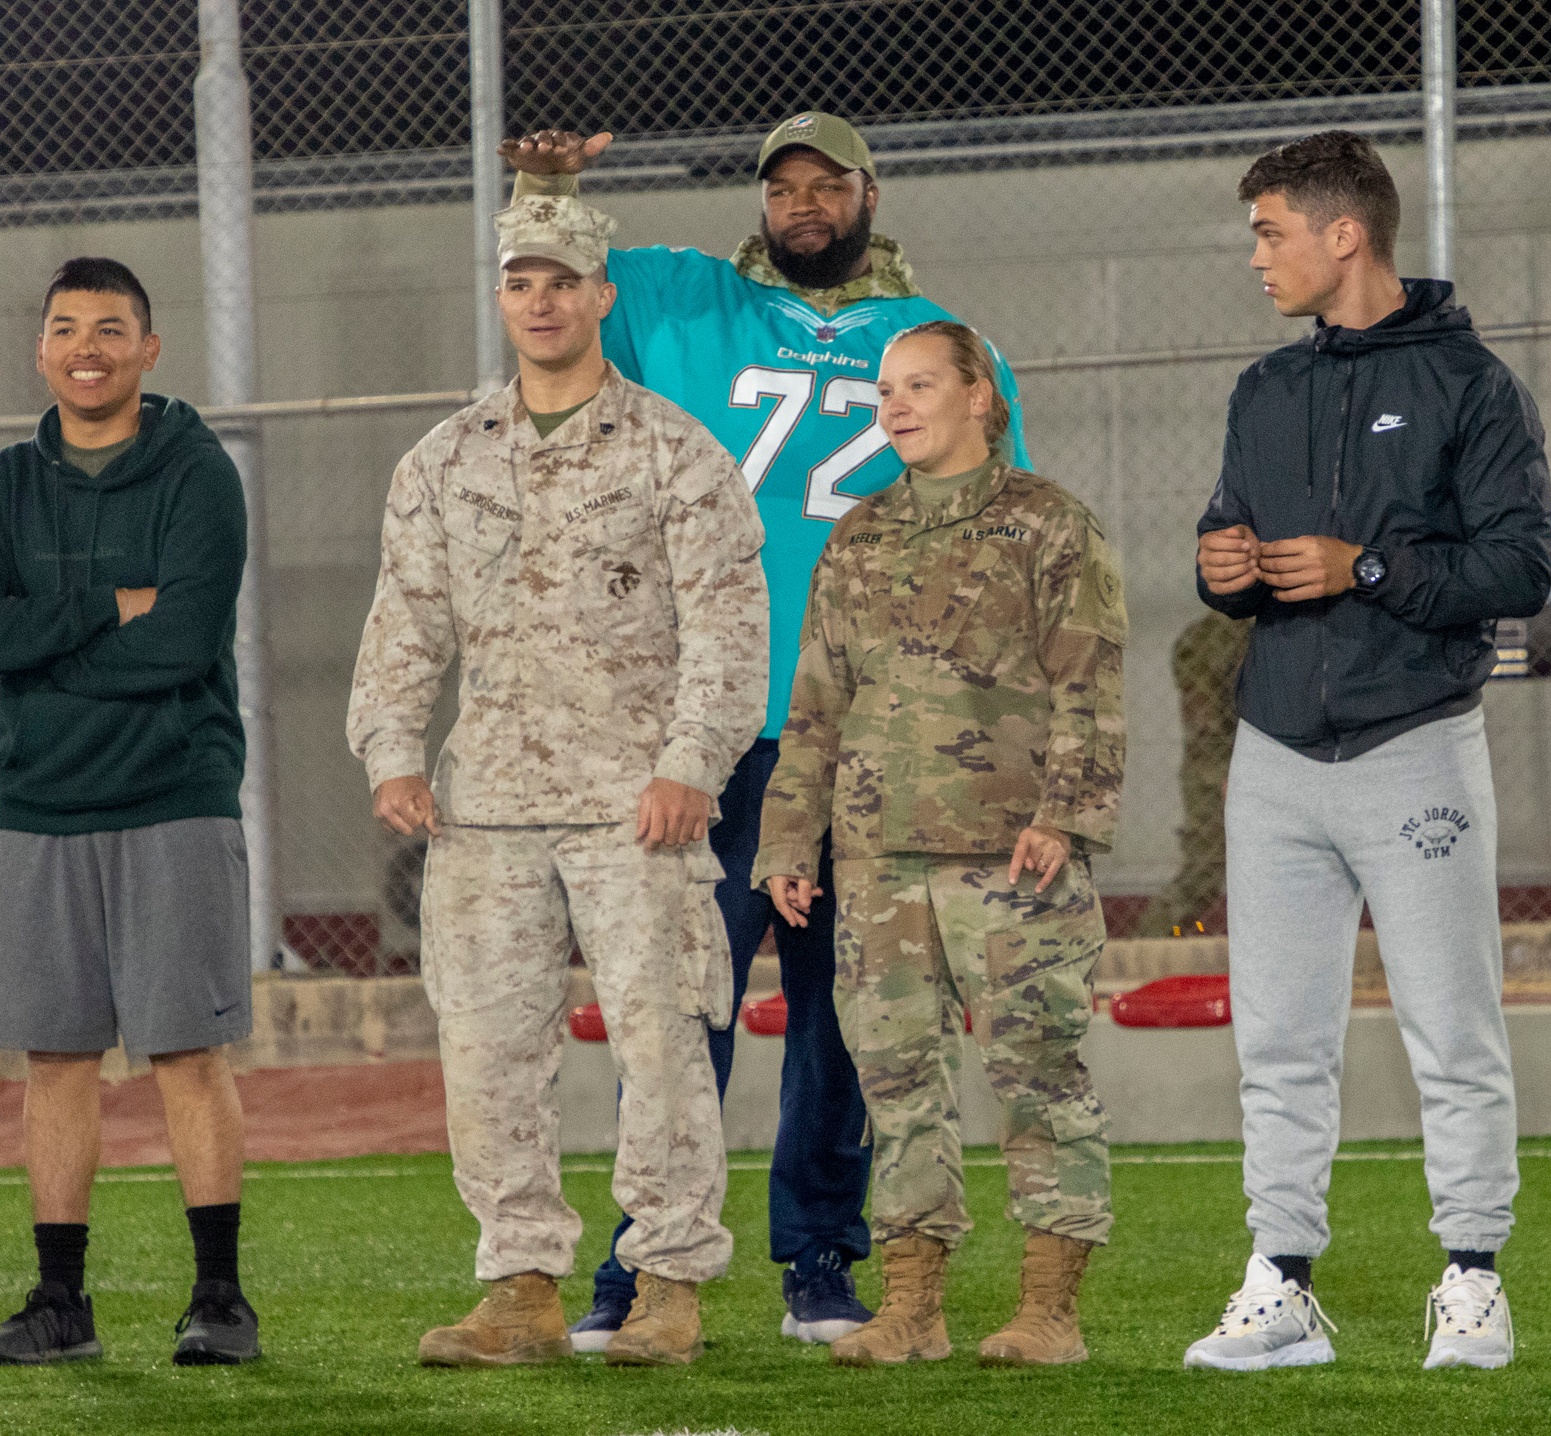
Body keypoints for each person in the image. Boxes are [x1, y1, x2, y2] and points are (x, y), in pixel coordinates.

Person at [499, 110, 1030, 1350]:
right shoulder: (686, 298)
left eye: (824, 184)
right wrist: (542, 182)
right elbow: (548, 290)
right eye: (780, 186)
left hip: (871, 726)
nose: (801, 204)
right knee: (677, 1001)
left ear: (868, 192)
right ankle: (645, 1258)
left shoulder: (945, 344)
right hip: (712, 721)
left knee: (849, 1008)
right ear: (758, 201)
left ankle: (820, 1256)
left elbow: (992, 542)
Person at [346, 196, 769, 1368]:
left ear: (600, 295)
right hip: (482, 810)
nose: (541, 302)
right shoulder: (444, 459)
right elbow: (405, 622)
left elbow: (730, 627)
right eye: (521, 282)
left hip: (635, 808)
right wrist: (390, 750)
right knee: (484, 1052)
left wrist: (692, 765)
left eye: (563, 282)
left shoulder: (674, 450)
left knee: (661, 1043)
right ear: (502, 297)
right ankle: (520, 1285)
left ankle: (669, 1283)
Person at [1184, 130, 1550, 1373]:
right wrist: (1218, 568)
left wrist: (1371, 567)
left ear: (1345, 235)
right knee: (1276, 1035)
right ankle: (1277, 1283)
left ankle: (1471, 1277)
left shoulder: (1475, 386)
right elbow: (1222, 526)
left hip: (1415, 745)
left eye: (1268, 231)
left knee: (1451, 1026)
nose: (1253, 258)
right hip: (1274, 749)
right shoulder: (1261, 389)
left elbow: (1518, 571)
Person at [756, 321, 1127, 1367]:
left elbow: (1086, 683)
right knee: (894, 1081)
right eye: (885, 390)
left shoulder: (1049, 523)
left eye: (919, 384)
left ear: (981, 395)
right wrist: (790, 837)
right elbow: (816, 701)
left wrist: (1064, 813)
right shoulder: (858, 533)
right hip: (875, 862)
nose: (895, 405)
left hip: (1013, 855)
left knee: (1034, 1070)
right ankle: (911, 1306)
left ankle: (1048, 1309)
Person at [0, 257, 260, 1366]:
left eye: (111, 328)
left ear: (148, 349)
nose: (89, 346)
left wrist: (48, 644)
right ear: (41, 350)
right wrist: (100, 613)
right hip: (38, 808)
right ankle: (60, 1303)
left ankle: (219, 1296)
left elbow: (184, 640)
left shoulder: (199, 474)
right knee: (57, 1058)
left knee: (185, 1052)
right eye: (67, 327)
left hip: (174, 795)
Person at [1132, 613, 1252, 939]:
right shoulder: (1210, 639)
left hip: (1255, 768)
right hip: (1219, 770)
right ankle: (1145, 951)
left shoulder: (1271, 628)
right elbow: (1206, 722)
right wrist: (1231, 773)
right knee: (1204, 872)